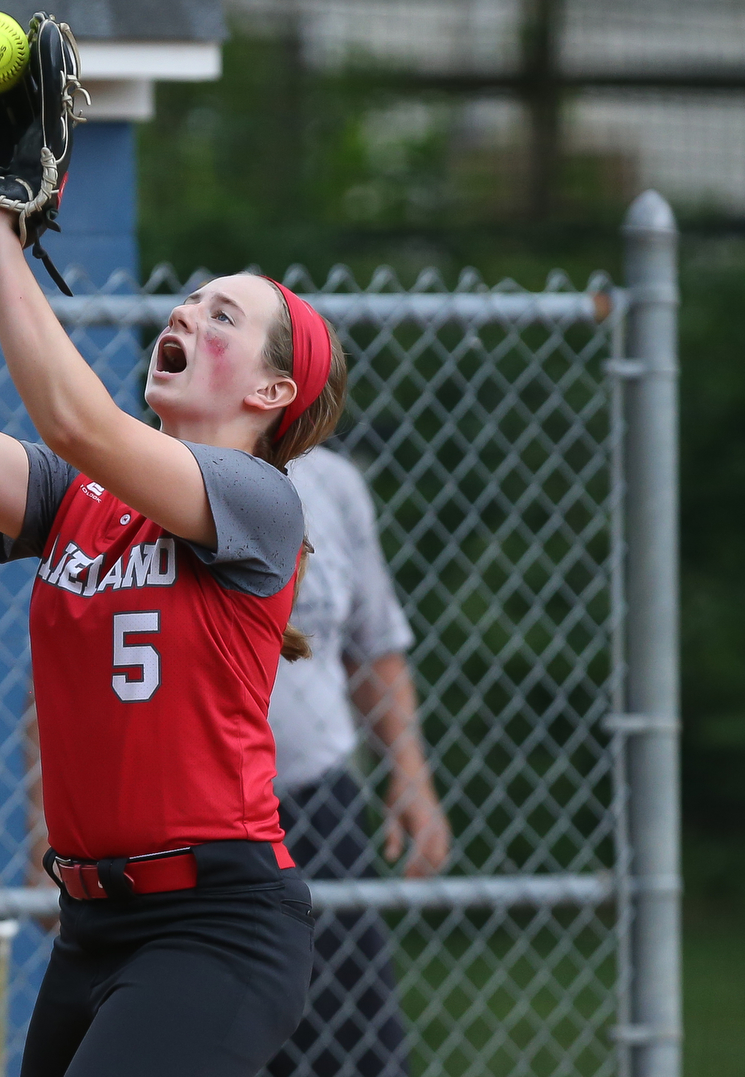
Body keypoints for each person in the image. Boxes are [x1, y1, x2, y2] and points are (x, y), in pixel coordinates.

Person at [0, 108, 346, 1077]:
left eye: (222, 317)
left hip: (215, 928)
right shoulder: (80, 497)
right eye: (190, 300)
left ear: (270, 394)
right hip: (91, 925)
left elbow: (76, 420)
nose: (185, 313)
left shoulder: (259, 501)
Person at [266, 446, 452, 1077]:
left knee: (352, 1050)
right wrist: (48, 835)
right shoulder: (141, 472)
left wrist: (410, 773)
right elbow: (65, 680)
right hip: (190, 821)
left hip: (315, 804)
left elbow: (373, 647)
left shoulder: (332, 482)